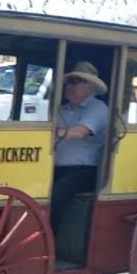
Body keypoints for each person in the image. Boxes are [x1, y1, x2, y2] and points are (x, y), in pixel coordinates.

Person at [51, 60, 108, 234]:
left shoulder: (98, 108)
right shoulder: (61, 109)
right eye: (69, 82)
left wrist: (53, 133)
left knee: (55, 195)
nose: (69, 86)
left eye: (74, 82)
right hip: (55, 168)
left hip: (84, 171)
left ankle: (49, 244)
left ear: (89, 86)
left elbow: (80, 132)